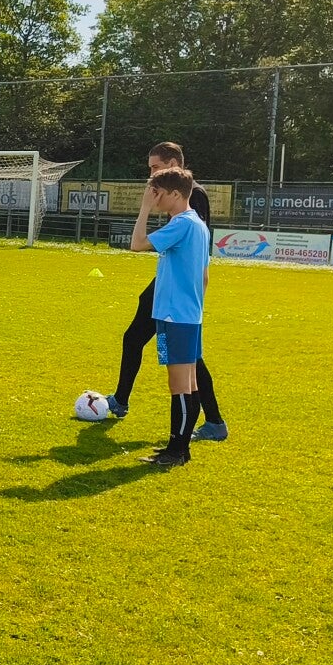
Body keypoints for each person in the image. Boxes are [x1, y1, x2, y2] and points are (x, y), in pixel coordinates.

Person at [107, 142, 227, 442]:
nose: (151, 175)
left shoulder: (191, 201)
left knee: (185, 365)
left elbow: (193, 253)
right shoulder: (180, 205)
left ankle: (198, 429)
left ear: (173, 165)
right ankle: (124, 400)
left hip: (178, 300)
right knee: (161, 350)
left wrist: (196, 299)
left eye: (155, 167)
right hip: (170, 296)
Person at [129, 167, 211, 466]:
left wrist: (144, 209)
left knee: (180, 385)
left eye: (158, 194)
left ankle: (177, 450)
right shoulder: (197, 224)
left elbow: (137, 244)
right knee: (186, 383)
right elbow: (204, 277)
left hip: (177, 317)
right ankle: (178, 448)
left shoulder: (183, 224)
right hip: (179, 316)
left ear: (176, 194)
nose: (155, 198)